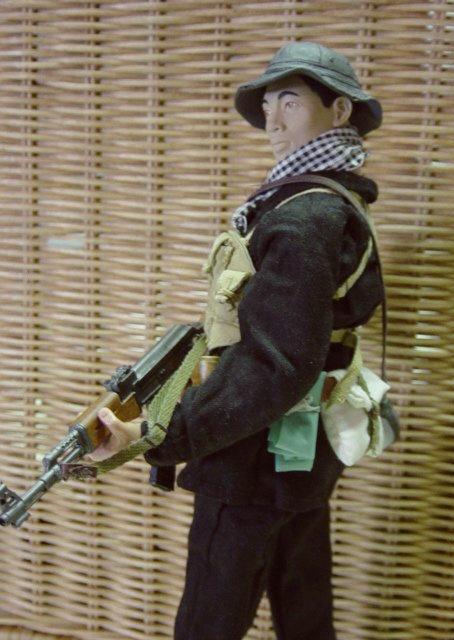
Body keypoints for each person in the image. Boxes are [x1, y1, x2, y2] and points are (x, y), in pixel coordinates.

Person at [90, 41, 384, 640]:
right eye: (269, 105)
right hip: (301, 449)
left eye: (290, 102)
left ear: (339, 110)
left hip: (252, 452)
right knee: (304, 604)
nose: (273, 121)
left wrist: (164, 432)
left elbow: (276, 363)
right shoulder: (323, 202)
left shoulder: (304, 217)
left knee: (211, 616)